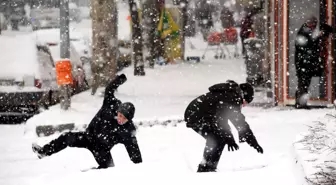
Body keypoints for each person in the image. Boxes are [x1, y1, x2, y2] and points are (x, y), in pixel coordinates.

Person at [32, 74, 142, 169]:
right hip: (88, 137)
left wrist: (139, 166)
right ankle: (44, 152)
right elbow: (109, 89)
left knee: (108, 171)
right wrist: (119, 80)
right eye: (120, 115)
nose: (120, 119)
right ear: (118, 110)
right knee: (67, 137)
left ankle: (90, 175)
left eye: (124, 119)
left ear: (129, 120)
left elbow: (134, 151)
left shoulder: (128, 130)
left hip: (102, 149)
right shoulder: (111, 104)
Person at [184, 80, 263, 172]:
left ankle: (207, 166)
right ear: (244, 97)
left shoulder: (231, 96)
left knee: (217, 138)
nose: (244, 106)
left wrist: (252, 142)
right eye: (245, 103)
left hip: (197, 114)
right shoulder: (232, 98)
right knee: (217, 139)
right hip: (197, 116)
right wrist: (229, 138)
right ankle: (208, 167)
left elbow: (239, 122)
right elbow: (221, 120)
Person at [294, 16, 333, 108]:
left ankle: (300, 102)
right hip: (304, 64)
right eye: (313, 24)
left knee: (304, 83)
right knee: (303, 83)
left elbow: (309, 45)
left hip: (305, 63)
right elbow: (307, 46)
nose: (314, 26)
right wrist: (318, 37)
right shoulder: (304, 32)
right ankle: (300, 103)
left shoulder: (305, 32)